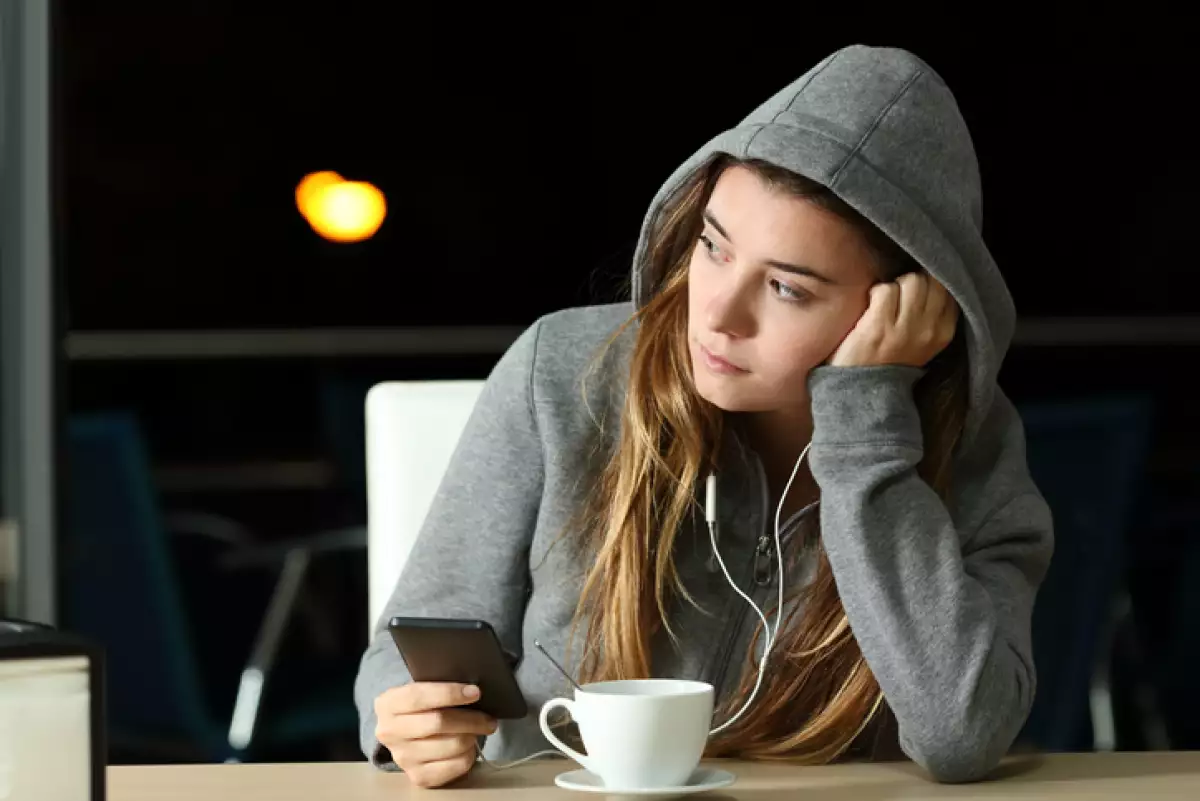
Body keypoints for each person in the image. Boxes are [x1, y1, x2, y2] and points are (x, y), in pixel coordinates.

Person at [354, 43, 1054, 789]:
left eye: (787, 288)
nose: (716, 314)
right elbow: (401, 658)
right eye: (713, 248)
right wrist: (408, 723)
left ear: (909, 310)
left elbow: (961, 733)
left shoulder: (972, 453)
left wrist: (868, 436)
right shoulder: (561, 371)